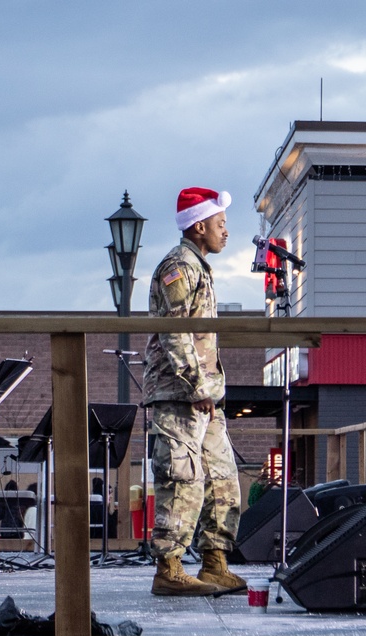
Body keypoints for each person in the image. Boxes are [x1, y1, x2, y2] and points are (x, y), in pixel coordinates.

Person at [144, 187, 246, 596]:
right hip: (180, 394)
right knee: (180, 479)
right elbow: (176, 334)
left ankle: (214, 563)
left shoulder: (199, 267)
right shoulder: (178, 266)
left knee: (222, 479)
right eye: (221, 224)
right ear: (199, 226)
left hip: (205, 398)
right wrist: (198, 387)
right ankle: (169, 570)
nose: (227, 232)